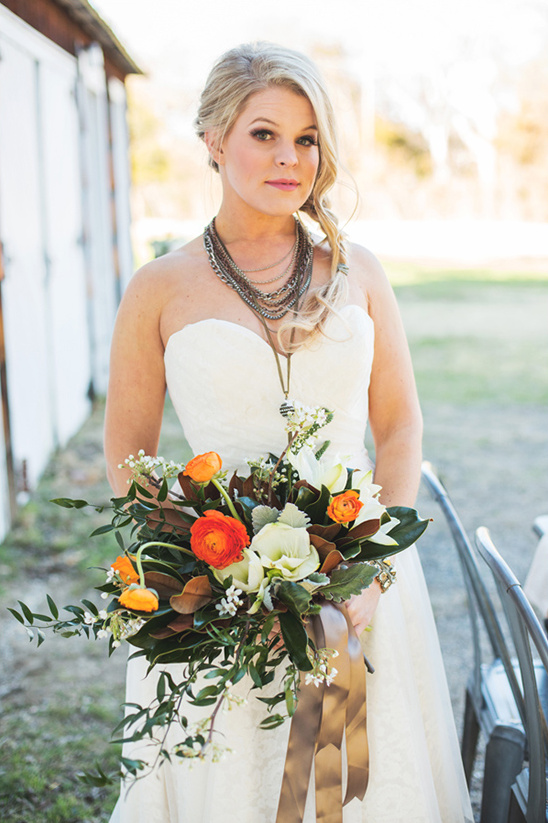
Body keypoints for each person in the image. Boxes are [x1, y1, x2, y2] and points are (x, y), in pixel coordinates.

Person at [105, 42, 473, 823]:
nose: (290, 157)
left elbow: (400, 425)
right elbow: (126, 456)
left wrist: (373, 567)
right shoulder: (158, 288)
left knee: (356, 793)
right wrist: (198, 584)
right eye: (265, 134)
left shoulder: (361, 271)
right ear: (213, 139)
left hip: (359, 589)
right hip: (220, 596)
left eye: (307, 138)